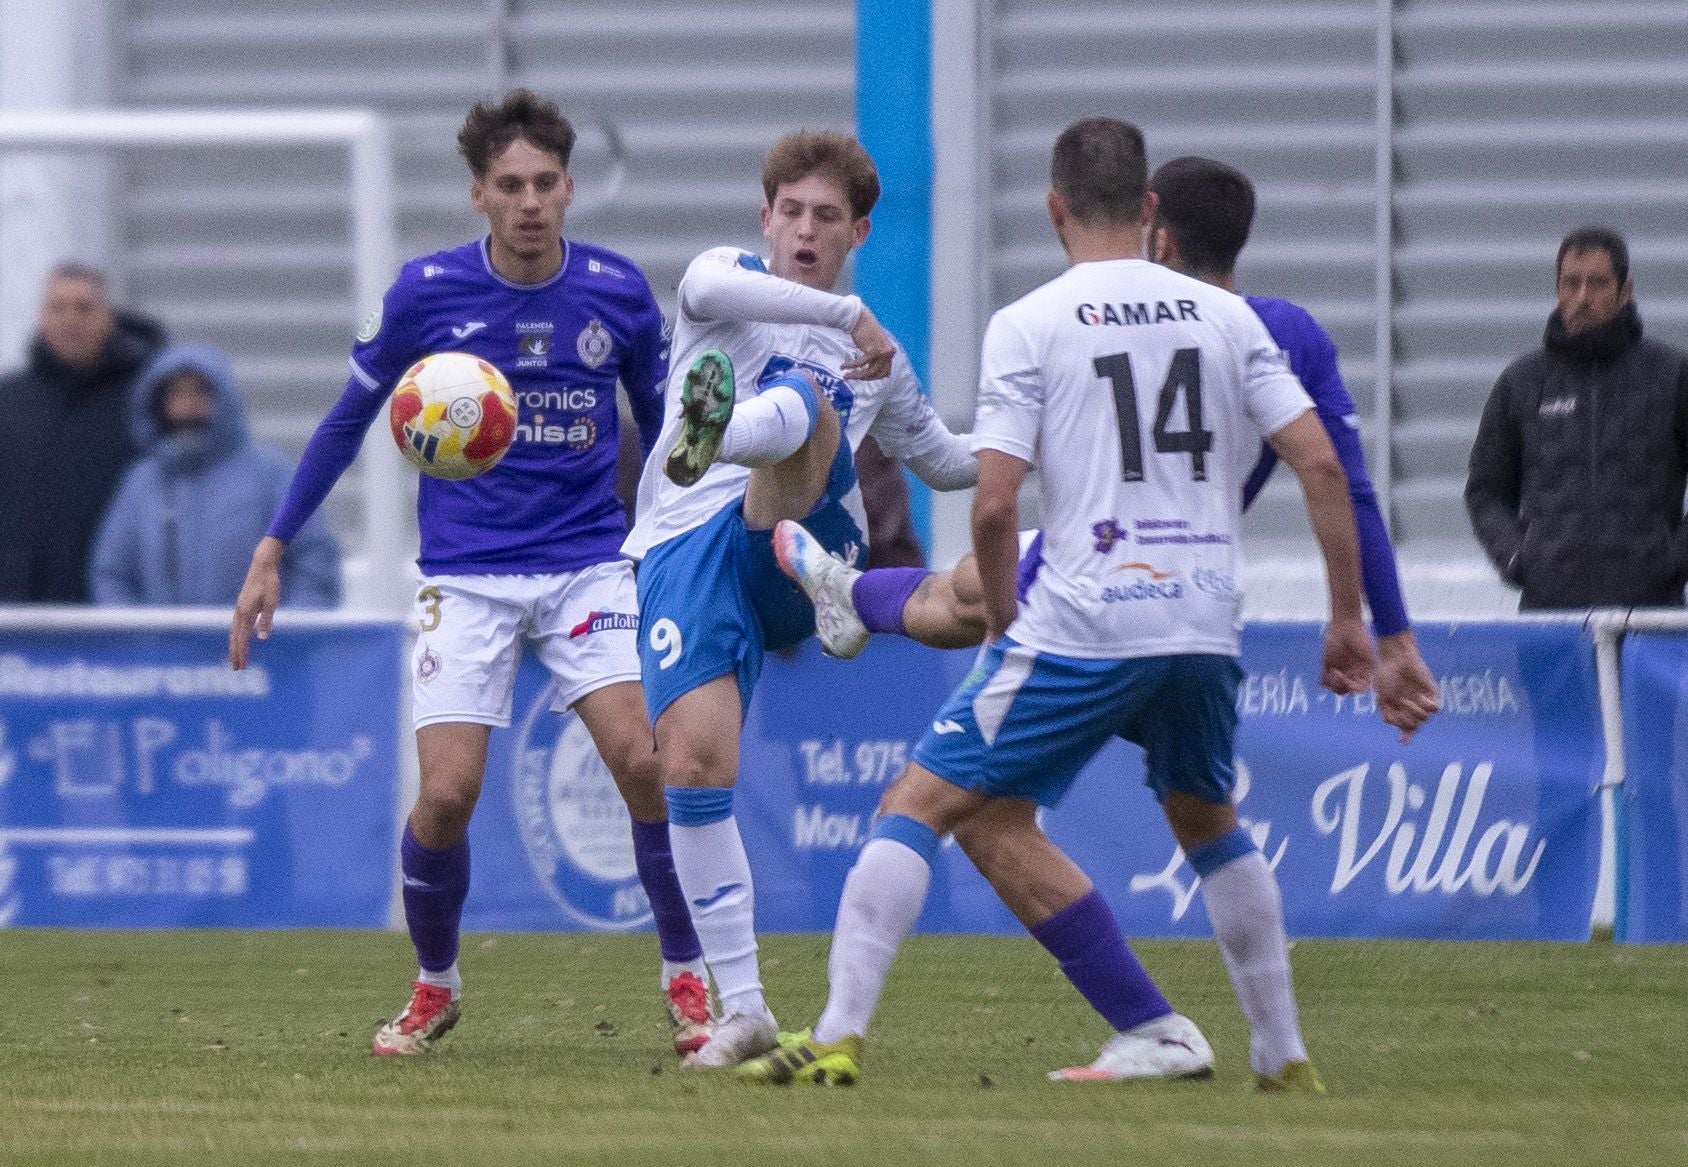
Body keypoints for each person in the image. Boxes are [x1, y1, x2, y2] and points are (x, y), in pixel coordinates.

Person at [740, 117, 1371, 1090]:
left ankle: (834, 1034)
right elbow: (1320, 462)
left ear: (1052, 207)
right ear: (1149, 208)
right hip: (1202, 620)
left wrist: (1004, 624)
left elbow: (993, 505)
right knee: (1201, 822)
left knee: (913, 804)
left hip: (1085, 620)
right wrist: (1344, 618)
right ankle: (1277, 1054)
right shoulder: (1226, 316)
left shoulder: (1032, 321)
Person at [228, 90, 712, 1058]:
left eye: (544, 183)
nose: (529, 201)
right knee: (446, 795)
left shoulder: (617, 291)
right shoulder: (426, 293)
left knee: (646, 766)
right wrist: (272, 546)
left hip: (587, 567)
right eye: (509, 186)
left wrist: (688, 535)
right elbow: (340, 422)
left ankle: (686, 979)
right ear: (478, 196)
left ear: (569, 189)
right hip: (467, 576)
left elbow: (665, 433)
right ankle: (434, 986)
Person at [781, 155, 1440, 743]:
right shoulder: (1286, 331)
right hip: (1198, 599)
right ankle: (854, 594)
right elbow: (1341, 480)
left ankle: (854, 594)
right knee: (1204, 820)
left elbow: (994, 500)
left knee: (947, 768)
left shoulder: (1095, 317)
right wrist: (1389, 633)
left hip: (1095, 585)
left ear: (1160, 237)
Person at [620, 130, 977, 1067]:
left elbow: (943, 463)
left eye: (828, 217)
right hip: (692, 544)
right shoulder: (722, 278)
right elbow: (707, 292)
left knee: (812, 400)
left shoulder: (874, 358)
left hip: (811, 535)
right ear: (765, 217)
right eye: (792, 211)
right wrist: (848, 314)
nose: (806, 230)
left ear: (857, 228)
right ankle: (744, 1008)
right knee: (692, 767)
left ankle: (724, 432)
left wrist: (1046, 440)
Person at [1466, 226, 1688, 609]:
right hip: (1551, 618)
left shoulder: (1671, 376)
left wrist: (1674, 560)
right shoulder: (1523, 382)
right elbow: (1485, 491)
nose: (1582, 298)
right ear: (1557, 289)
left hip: (1651, 618)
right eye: (1571, 283)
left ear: (1625, 291)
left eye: (1598, 283)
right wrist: (1518, 558)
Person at [89, 343, 340, 607]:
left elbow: (314, 562)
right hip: (161, 647)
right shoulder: (140, 484)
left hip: (259, 647)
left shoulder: (270, 475)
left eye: (200, 392)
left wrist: (283, 636)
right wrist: (142, 640)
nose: (187, 406)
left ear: (224, 399)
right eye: (176, 393)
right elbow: (111, 574)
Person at [0, 264, 167, 603]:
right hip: (19, 608)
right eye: (58, 307)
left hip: (114, 607)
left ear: (108, 319)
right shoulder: (10, 400)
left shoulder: (144, 399)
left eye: (84, 307)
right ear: (43, 319)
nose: (70, 319)